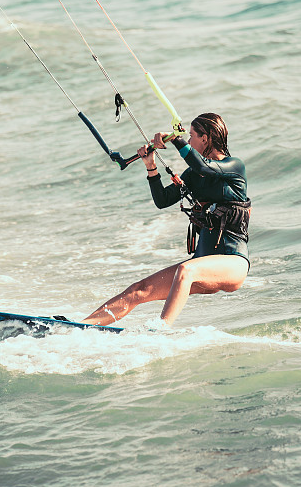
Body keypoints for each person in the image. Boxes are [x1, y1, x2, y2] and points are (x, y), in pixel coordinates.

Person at [83, 113, 251, 327]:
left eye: (191, 136)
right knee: (138, 290)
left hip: (232, 262)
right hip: (203, 261)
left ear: (205, 138)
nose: (189, 141)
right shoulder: (192, 175)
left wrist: (174, 139)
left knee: (186, 270)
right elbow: (163, 200)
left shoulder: (235, 167)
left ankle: (160, 330)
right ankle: (82, 326)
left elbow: (205, 167)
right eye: (187, 137)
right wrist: (150, 166)